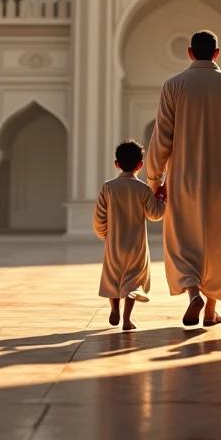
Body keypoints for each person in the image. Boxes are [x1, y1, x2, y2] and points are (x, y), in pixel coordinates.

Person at [146, 29, 221, 327]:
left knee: (184, 238)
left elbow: (162, 138)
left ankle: (194, 291)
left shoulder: (174, 85)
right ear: (217, 53)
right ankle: (211, 310)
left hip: (183, 176)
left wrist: (155, 180)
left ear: (189, 53)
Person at [92, 139, 165, 330]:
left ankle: (114, 308)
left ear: (117, 164)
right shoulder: (143, 188)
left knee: (113, 277)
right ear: (140, 165)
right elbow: (155, 214)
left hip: (114, 242)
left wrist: (105, 236)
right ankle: (127, 318)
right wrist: (163, 199)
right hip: (136, 245)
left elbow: (99, 218)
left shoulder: (108, 187)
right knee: (132, 281)